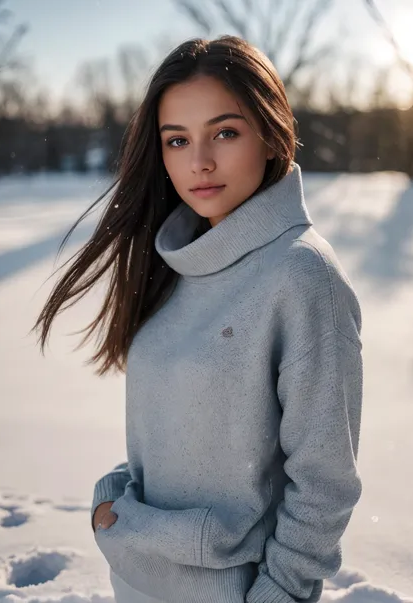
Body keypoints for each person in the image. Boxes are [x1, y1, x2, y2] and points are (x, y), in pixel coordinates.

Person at [34, 36, 363, 603]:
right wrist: (115, 500)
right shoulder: (175, 262)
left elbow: (325, 485)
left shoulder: (303, 277)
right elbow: (183, 428)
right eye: (177, 140)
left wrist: (278, 595)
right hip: (137, 580)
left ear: (272, 133)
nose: (199, 161)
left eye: (225, 132)